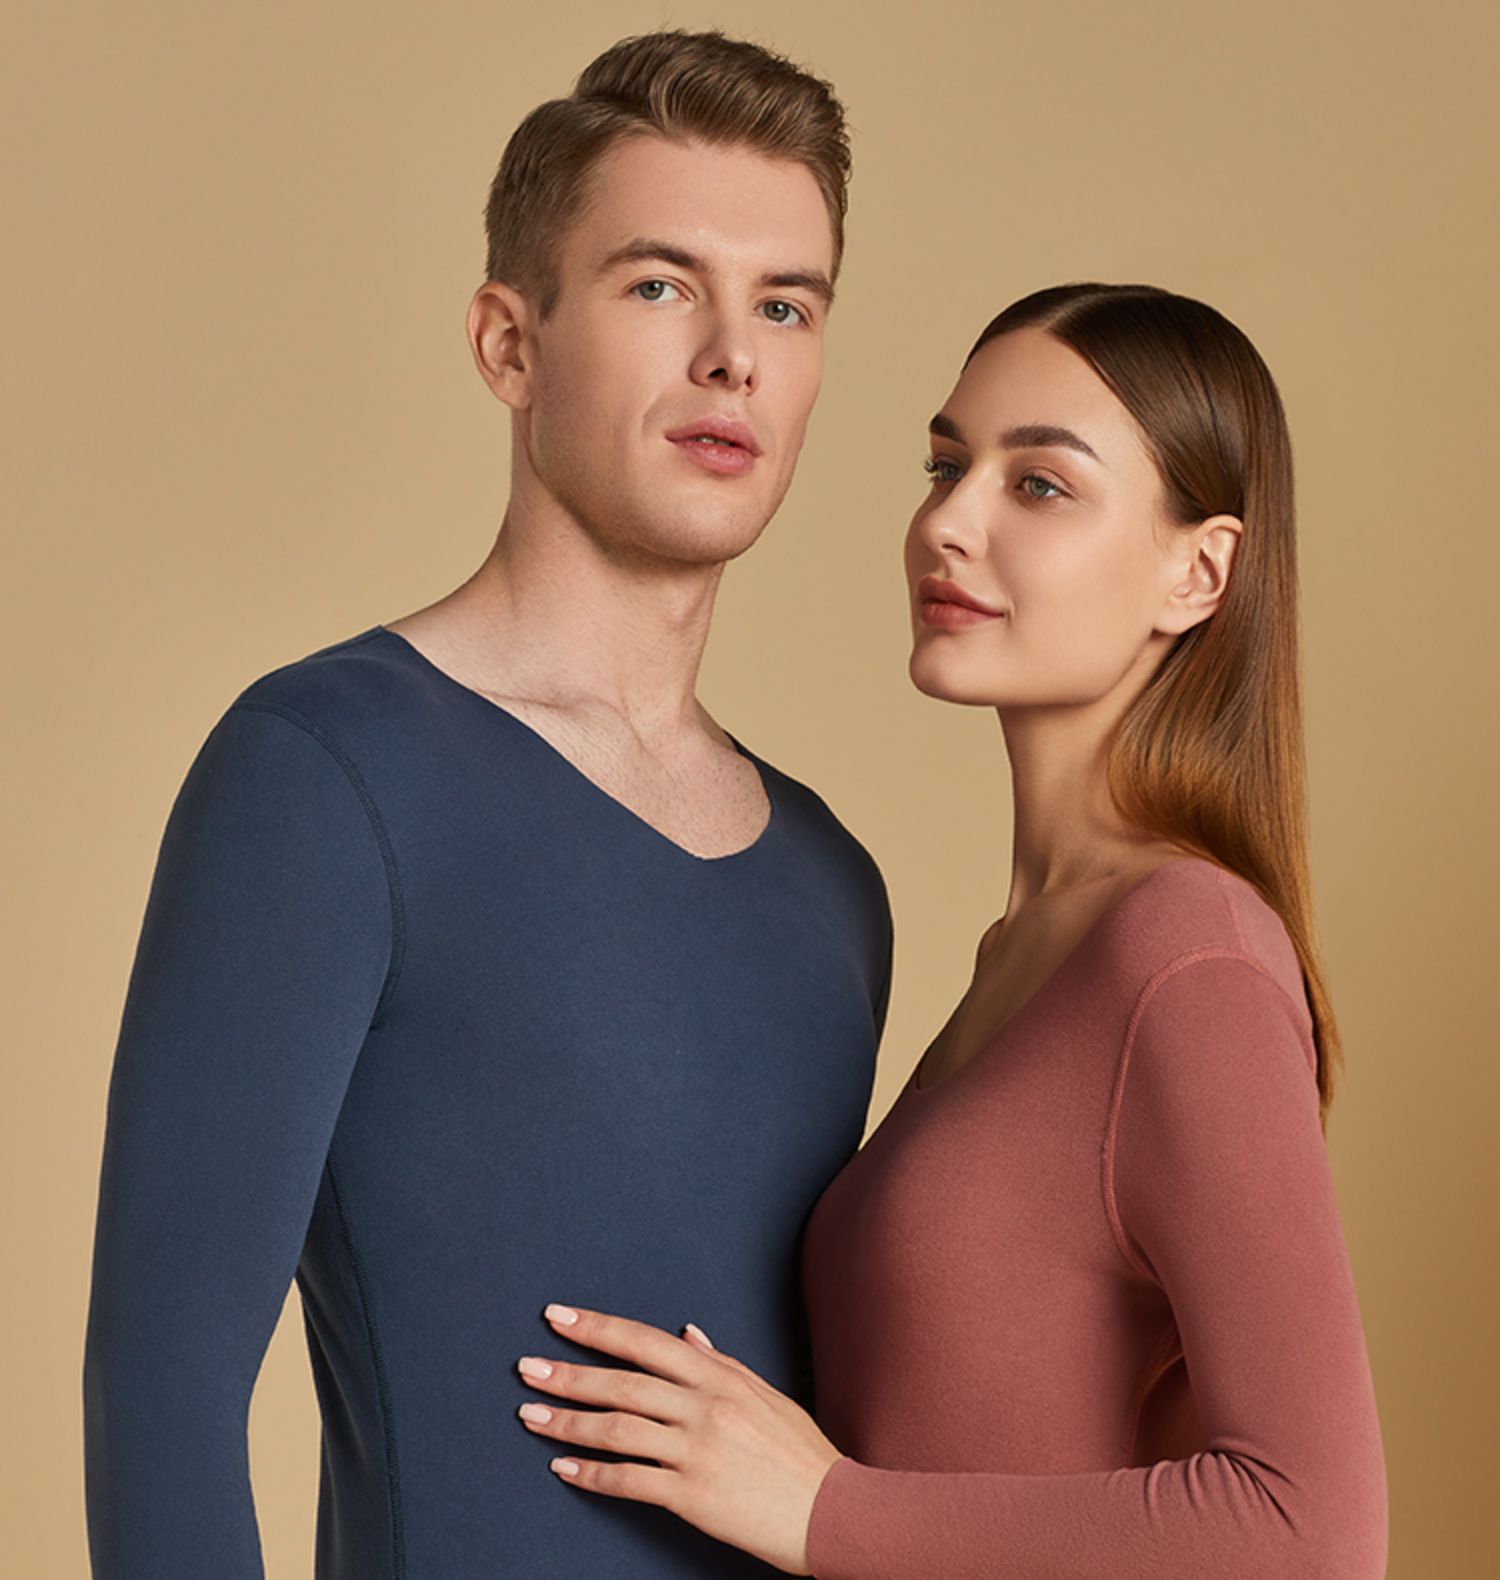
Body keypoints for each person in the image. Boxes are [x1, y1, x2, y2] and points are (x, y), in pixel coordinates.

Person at [81, 29, 892, 1580]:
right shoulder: (324, 773)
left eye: (786, 306)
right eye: (660, 287)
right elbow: (160, 1404)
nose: (733, 355)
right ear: (510, 344)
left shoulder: (833, 889)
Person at [508, 283, 1390, 1578]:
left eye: (1039, 485)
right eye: (946, 466)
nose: (948, 524)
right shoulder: (1028, 956)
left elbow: (1315, 1533)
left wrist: (824, 1509)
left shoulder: (1186, 957)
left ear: (1198, 572)